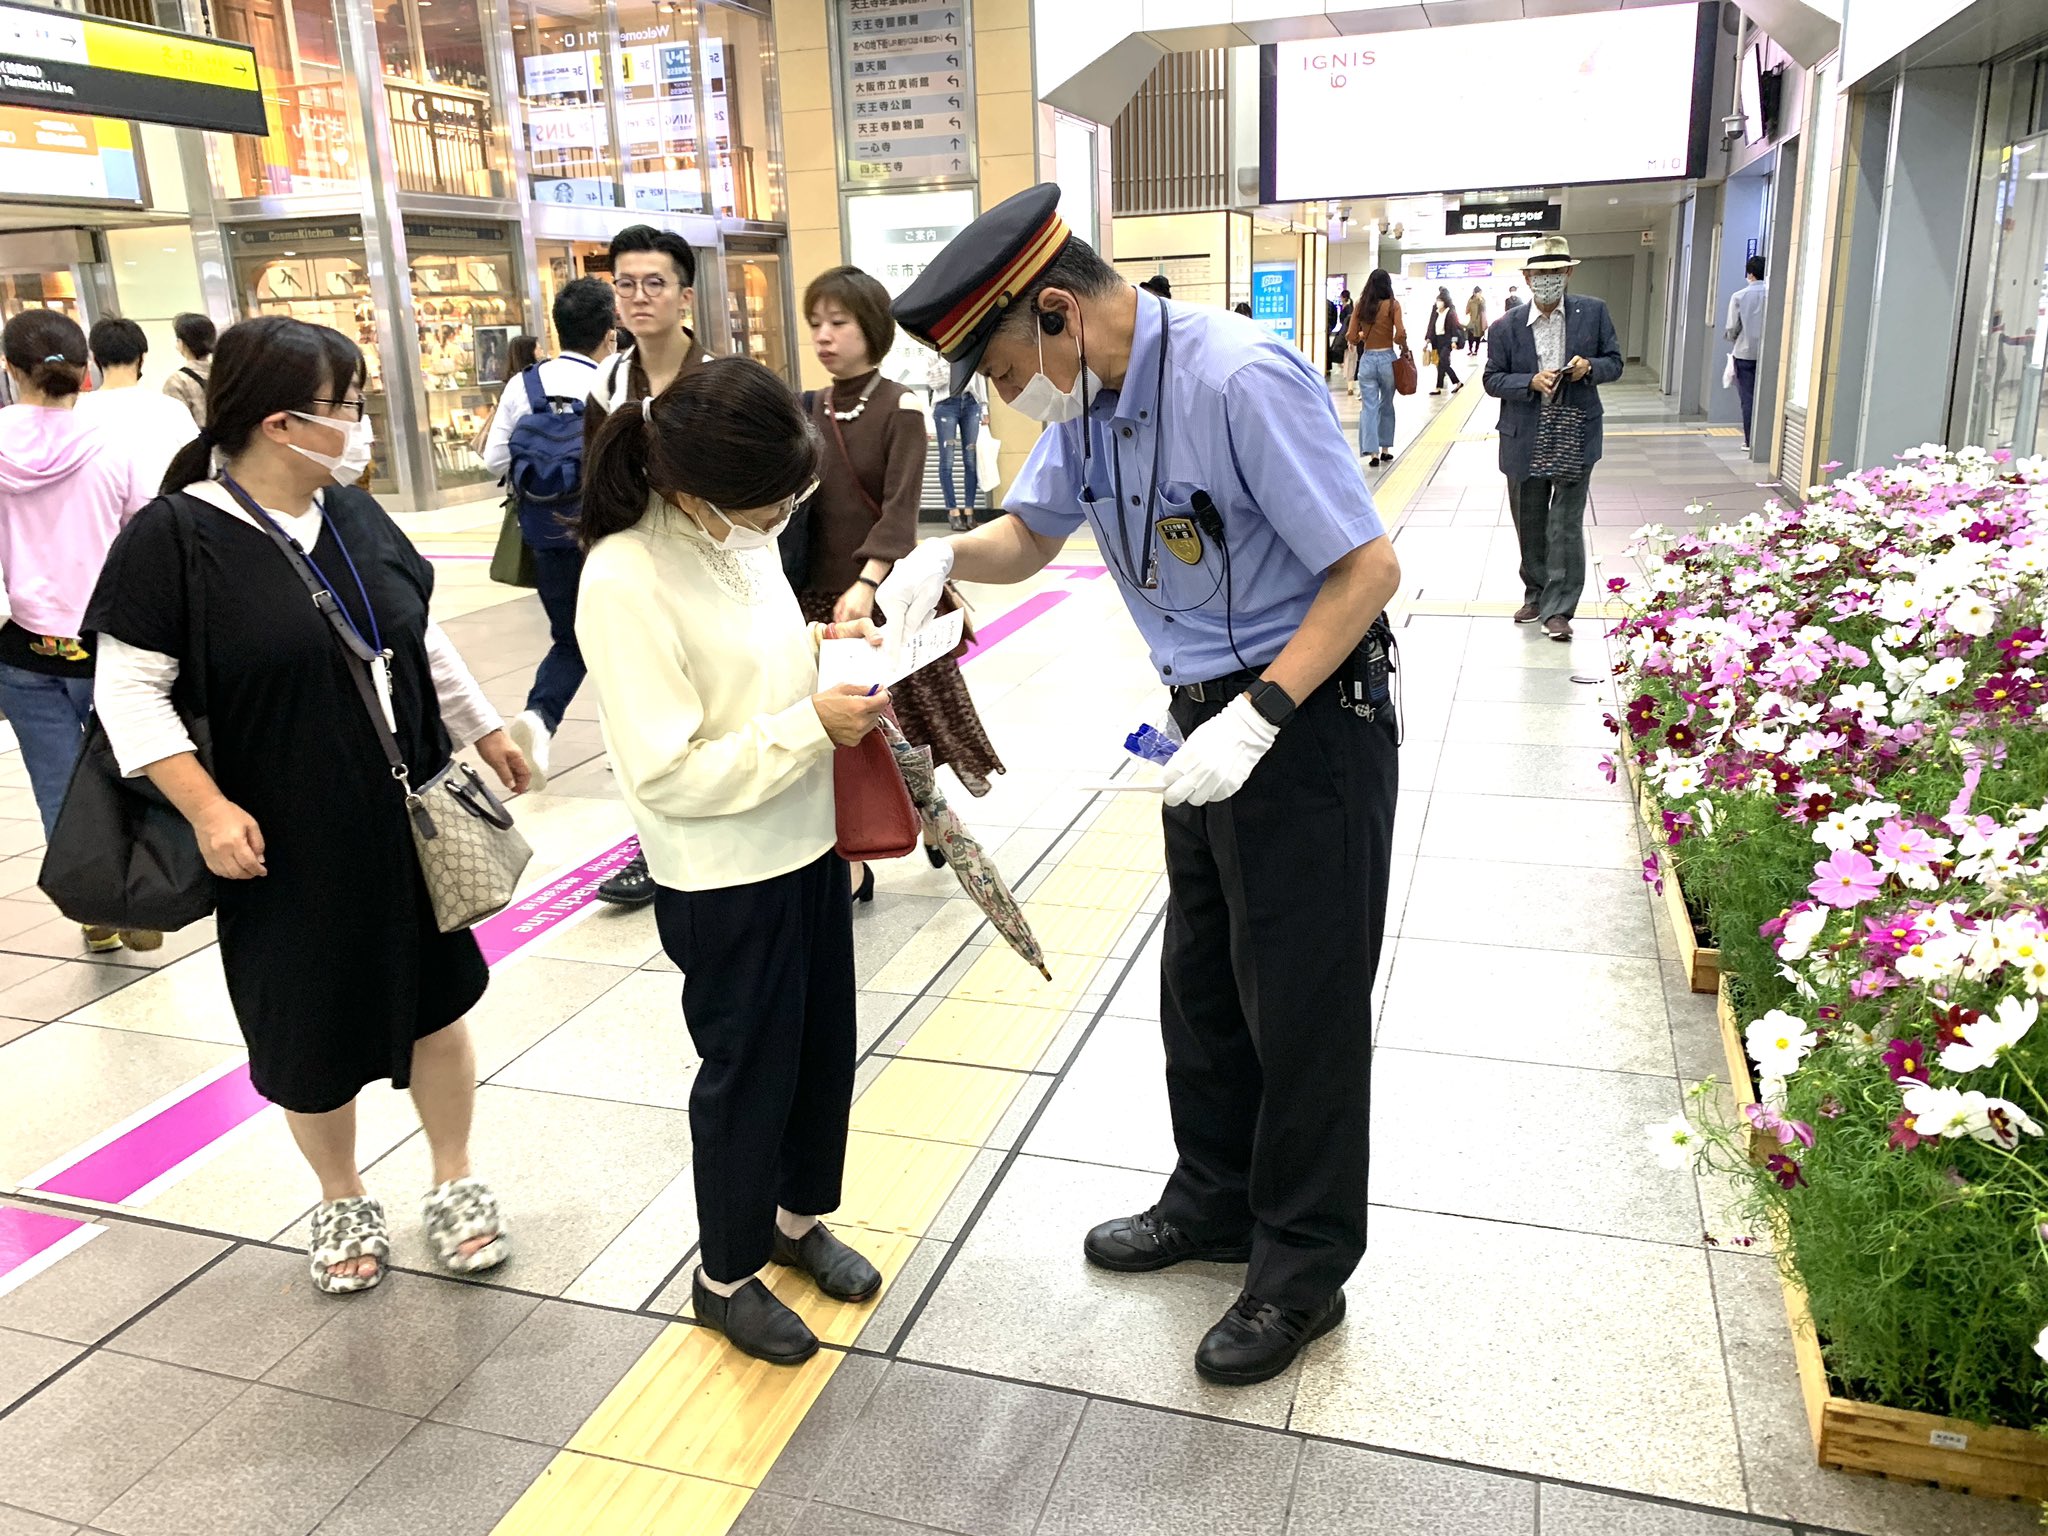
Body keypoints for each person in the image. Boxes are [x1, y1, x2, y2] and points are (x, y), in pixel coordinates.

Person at [884, 184, 1401, 1387]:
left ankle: (1300, 1272)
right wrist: (938, 555)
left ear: (1055, 312)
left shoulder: (1236, 379)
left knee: (1304, 1007)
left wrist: (1264, 716)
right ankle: (1216, 1201)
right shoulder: (1098, 399)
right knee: (1207, 986)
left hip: (1305, 717)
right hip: (1199, 725)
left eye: (1003, 367)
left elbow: (1365, 568)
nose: (1008, 397)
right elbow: (1029, 535)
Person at [83, 316, 530, 1294]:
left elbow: (412, 638)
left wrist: (481, 727)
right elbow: (128, 691)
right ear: (282, 422)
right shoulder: (177, 538)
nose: (361, 426)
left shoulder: (352, 512)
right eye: (349, 406)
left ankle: (454, 1178)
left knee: (433, 1002)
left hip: (401, 816)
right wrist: (205, 808)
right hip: (281, 833)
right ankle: (339, 1195)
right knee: (307, 1025)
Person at [575, 356, 892, 1364]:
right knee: (745, 1076)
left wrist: (826, 636)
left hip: (803, 844)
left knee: (817, 1054)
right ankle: (724, 1275)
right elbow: (667, 774)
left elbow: (759, 659)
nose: (782, 519)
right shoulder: (625, 577)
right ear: (693, 486)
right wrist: (812, 726)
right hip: (720, 872)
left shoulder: (739, 531)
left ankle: (795, 1225)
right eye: (772, 504)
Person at [800, 266, 1004, 895]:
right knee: (841, 730)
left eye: (838, 322)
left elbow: (900, 508)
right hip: (819, 599)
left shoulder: (901, 405)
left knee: (913, 724)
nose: (824, 337)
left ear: (872, 328)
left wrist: (867, 581)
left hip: (887, 596)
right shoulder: (806, 407)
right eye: (815, 324)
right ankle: (853, 857)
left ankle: (931, 817)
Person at [0, 311, 158, 954]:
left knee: (55, 780)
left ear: (10, 372)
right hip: (104, 640)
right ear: (83, 372)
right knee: (128, 765)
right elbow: (144, 533)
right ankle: (140, 892)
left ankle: (93, 909)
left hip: (17, 641)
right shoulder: (111, 446)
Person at [584, 224, 717, 910]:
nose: (639, 297)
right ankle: (650, 842)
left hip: (708, 561)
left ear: (684, 295)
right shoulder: (609, 380)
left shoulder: (719, 379)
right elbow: (596, 478)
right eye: (625, 283)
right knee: (641, 709)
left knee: (709, 700)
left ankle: (705, 821)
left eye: (654, 282)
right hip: (638, 564)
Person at [483, 278, 617, 788]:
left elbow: (495, 456)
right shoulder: (612, 382)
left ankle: (539, 718)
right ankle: (626, 742)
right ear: (610, 332)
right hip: (606, 532)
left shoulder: (526, 385)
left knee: (570, 638)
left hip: (545, 533)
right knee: (626, 638)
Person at [1483, 235, 1623, 644]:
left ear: (1568, 273)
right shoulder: (1505, 327)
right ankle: (1537, 593)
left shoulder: (1592, 313)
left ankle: (1560, 609)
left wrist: (1589, 367)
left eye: (1555, 272)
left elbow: (1614, 362)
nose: (1548, 280)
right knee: (1529, 521)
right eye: (1540, 273)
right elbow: (1492, 378)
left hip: (1574, 429)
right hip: (1523, 433)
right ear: (1527, 278)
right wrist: (1529, 380)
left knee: (1564, 523)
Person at [78, 317, 201, 494]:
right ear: (142, 357)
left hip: (102, 517)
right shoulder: (171, 409)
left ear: (95, 358)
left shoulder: (77, 412)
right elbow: (203, 467)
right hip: (166, 512)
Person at [1345, 269, 1406, 467]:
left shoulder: (1361, 305)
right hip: (1388, 358)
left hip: (1368, 360)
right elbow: (1401, 333)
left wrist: (1363, 336)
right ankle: (1386, 448)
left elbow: (1352, 336)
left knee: (1369, 407)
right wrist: (1399, 342)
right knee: (1386, 404)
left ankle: (1373, 453)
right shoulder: (1393, 305)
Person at [925, 343, 984, 533]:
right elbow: (935, 382)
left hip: (971, 403)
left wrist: (985, 406)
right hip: (946, 404)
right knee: (947, 462)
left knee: (971, 461)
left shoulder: (969, 344)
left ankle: (969, 511)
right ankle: (953, 511)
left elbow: (979, 375)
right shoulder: (933, 350)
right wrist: (950, 359)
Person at [1725, 254, 1767, 448]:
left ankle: (1750, 441)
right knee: (1768, 396)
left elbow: (1732, 328)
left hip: (1744, 353)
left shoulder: (1739, 296)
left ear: (1750, 274)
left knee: (1748, 398)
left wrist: (1735, 338)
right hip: (1769, 355)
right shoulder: (1774, 294)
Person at [163, 312, 215, 430]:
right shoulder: (226, 373)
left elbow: (176, 427)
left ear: (181, 343)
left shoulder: (177, 381)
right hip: (230, 445)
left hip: (198, 445)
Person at [1425, 287, 1463, 394]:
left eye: (1440, 301)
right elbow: (1432, 325)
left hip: (1447, 341)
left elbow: (1454, 329)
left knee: (1443, 362)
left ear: (1445, 302)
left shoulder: (1450, 313)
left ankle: (1455, 382)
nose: (1438, 303)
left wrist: (1454, 341)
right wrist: (1428, 339)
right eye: (1437, 300)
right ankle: (1440, 387)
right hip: (1438, 341)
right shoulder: (1437, 312)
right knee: (1441, 364)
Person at [1463, 287, 1487, 357]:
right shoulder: (1470, 300)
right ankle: (1470, 349)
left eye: (1480, 293)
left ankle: (1476, 350)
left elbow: (1484, 309)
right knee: (1470, 336)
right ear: (1474, 293)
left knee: (1478, 337)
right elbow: (1467, 310)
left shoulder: (1482, 300)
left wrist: (1481, 300)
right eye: (1478, 293)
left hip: (1479, 322)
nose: (1479, 294)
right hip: (1471, 321)